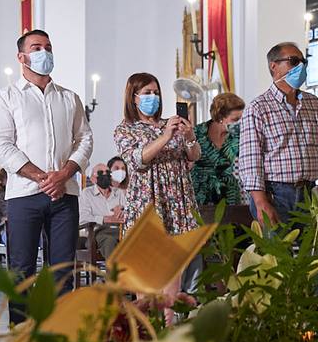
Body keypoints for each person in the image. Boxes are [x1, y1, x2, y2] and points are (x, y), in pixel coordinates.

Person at [0, 29, 93, 304]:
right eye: (36, 48)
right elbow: (1, 144)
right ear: (21, 57)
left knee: (62, 271)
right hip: (24, 194)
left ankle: (59, 334)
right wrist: (41, 177)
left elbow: (85, 138)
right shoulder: (6, 97)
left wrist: (65, 174)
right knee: (21, 271)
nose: (43, 52)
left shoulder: (69, 98)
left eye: (47, 47)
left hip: (65, 194)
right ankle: (20, 334)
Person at [238, 44, 318, 226]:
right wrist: (260, 202)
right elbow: (251, 161)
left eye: (303, 62)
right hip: (276, 194)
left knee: (316, 252)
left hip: (310, 193)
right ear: (274, 66)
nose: (301, 67)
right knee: (278, 253)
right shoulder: (258, 108)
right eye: (294, 62)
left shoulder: (312, 103)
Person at [113, 72, 201, 238]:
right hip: (148, 199)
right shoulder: (125, 130)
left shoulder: (170, 124)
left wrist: (190, 136)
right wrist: (166, 136)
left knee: (187, 256)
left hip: (180, 199)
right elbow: (137, 159)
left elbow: (194, 156)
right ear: (134, 97)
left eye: (156, 93)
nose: (153, 97)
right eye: (147, 93)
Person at [191, 92, 245, 209]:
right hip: (199, 193)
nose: (239, 123)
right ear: (220, 118)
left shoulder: (239, 136)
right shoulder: (196, 133)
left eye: (241, 119)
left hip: (229, 194)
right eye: (235, 119)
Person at [79, 159, 131, 258]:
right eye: (100, 173)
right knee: (109, 241)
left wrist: (123, 210)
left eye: (107, 172)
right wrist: (104, 219)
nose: (105, 174)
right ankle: (113, 273)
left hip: (120, 231)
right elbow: (83, 217)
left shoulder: (118, 193)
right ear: (93, 179)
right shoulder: (87, 193)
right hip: (98, 233)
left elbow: (128, 212)